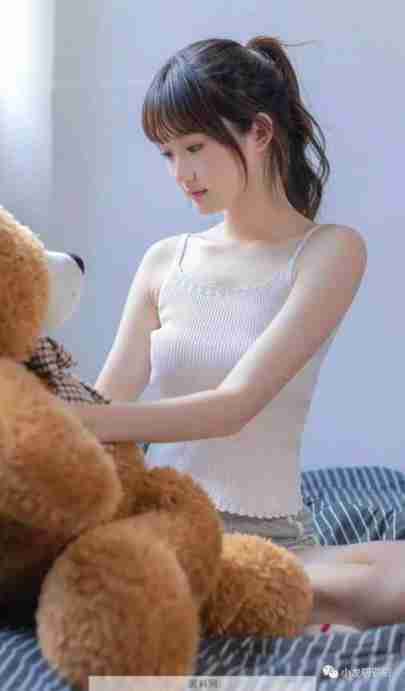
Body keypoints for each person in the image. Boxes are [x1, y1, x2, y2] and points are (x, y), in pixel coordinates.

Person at [73, 36, 405, 632]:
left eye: (194, 147)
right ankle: (257, 598)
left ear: (259, 132)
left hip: (270, 536)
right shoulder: (164, 260)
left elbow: (234, 406)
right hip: (164, 522)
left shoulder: (329, 252)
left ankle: (260, 591)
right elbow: (107, 402)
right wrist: (57, 421)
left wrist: (77, 419)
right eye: (168, 154)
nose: (181, 173)